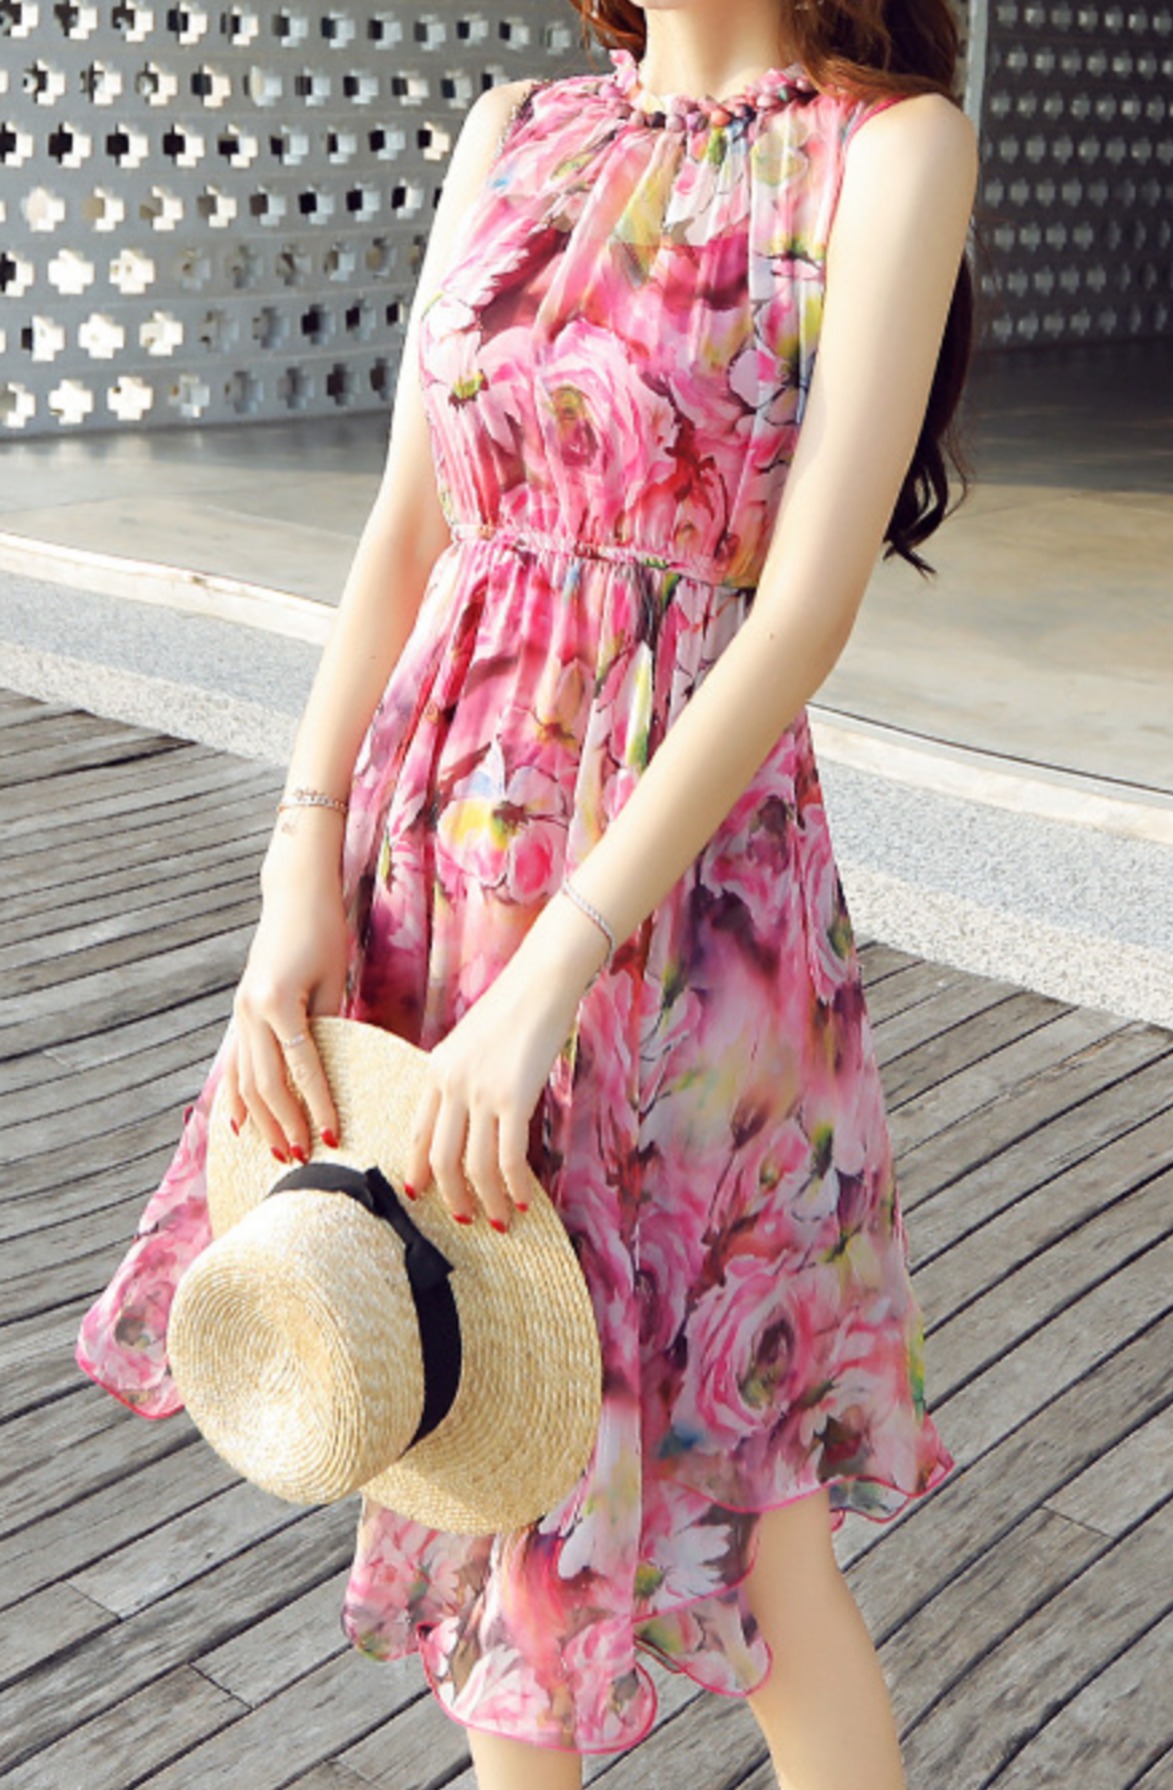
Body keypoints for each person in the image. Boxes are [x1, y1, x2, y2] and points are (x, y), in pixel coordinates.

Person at [77, 2, 979, 1785]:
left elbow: (803, 609)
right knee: (483, 1424)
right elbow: (406, 532)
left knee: (760, 1539)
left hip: (678, 918)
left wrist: (561, 964)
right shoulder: (514, 130)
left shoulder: (890, 148)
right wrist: (295, 870)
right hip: (430, 869)